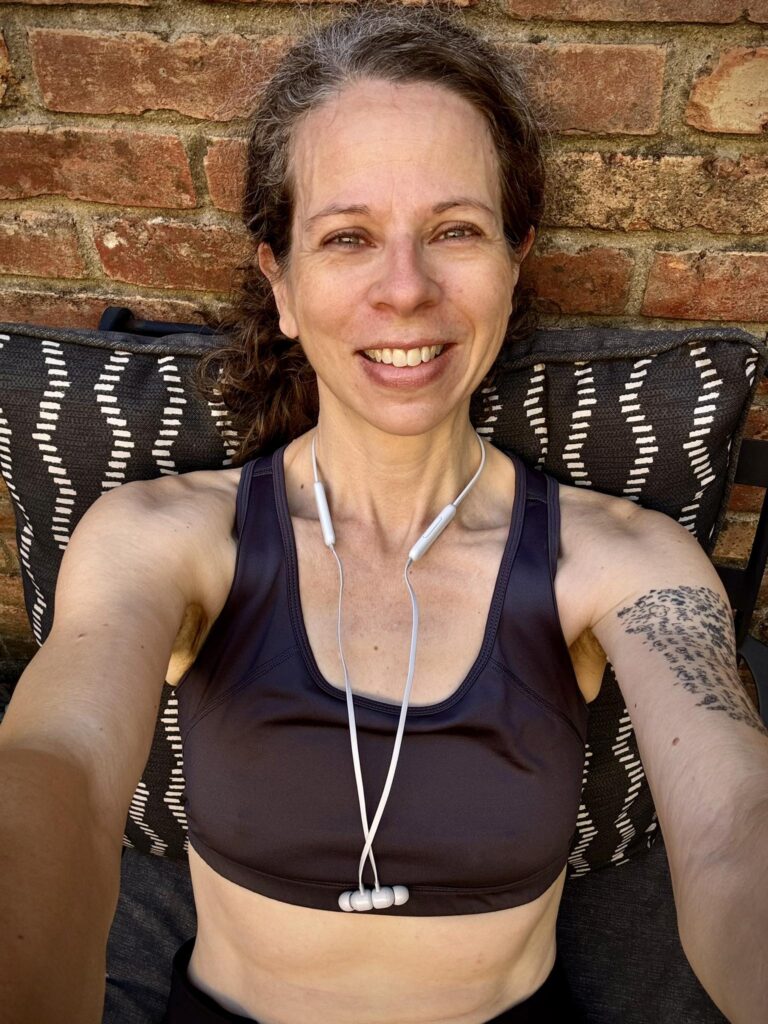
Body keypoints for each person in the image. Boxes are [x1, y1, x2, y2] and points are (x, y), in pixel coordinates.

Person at [1, 8, 767, 1024]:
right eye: (348, 237)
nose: (405, 290)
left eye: (455, 230)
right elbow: (59, 765)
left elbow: (735, 819)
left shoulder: (625, 558)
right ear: (281, 282)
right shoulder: (162, 539)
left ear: (514, 262)